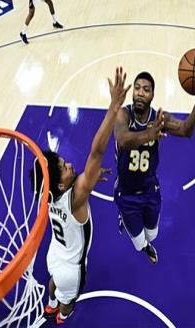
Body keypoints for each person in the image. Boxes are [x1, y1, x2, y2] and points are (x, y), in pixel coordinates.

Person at [33, 67, 131, 324]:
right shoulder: (76, 195)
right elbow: (96, 152)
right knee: (69, 298)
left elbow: (60, 179)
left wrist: (85, 180)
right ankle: (63, 314)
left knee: (53, 282)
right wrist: (113, 108)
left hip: (54, 254)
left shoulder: (46, 193)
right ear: (61, 185)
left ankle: (50, 304)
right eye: (64, 168)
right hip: (71, 269)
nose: (69, 165)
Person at [114, 72, 195, 263]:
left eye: (146, 89)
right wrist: (149, 134)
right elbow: (123, 139)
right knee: (139, 244)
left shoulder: (160, 118)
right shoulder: (123, 115)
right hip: (126, 194)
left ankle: (146, 241)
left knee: (152, 234)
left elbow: (186, 130)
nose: (140, 93)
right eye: (137, 88)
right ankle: (138, 238)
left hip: (150, 190)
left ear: (152, 95)